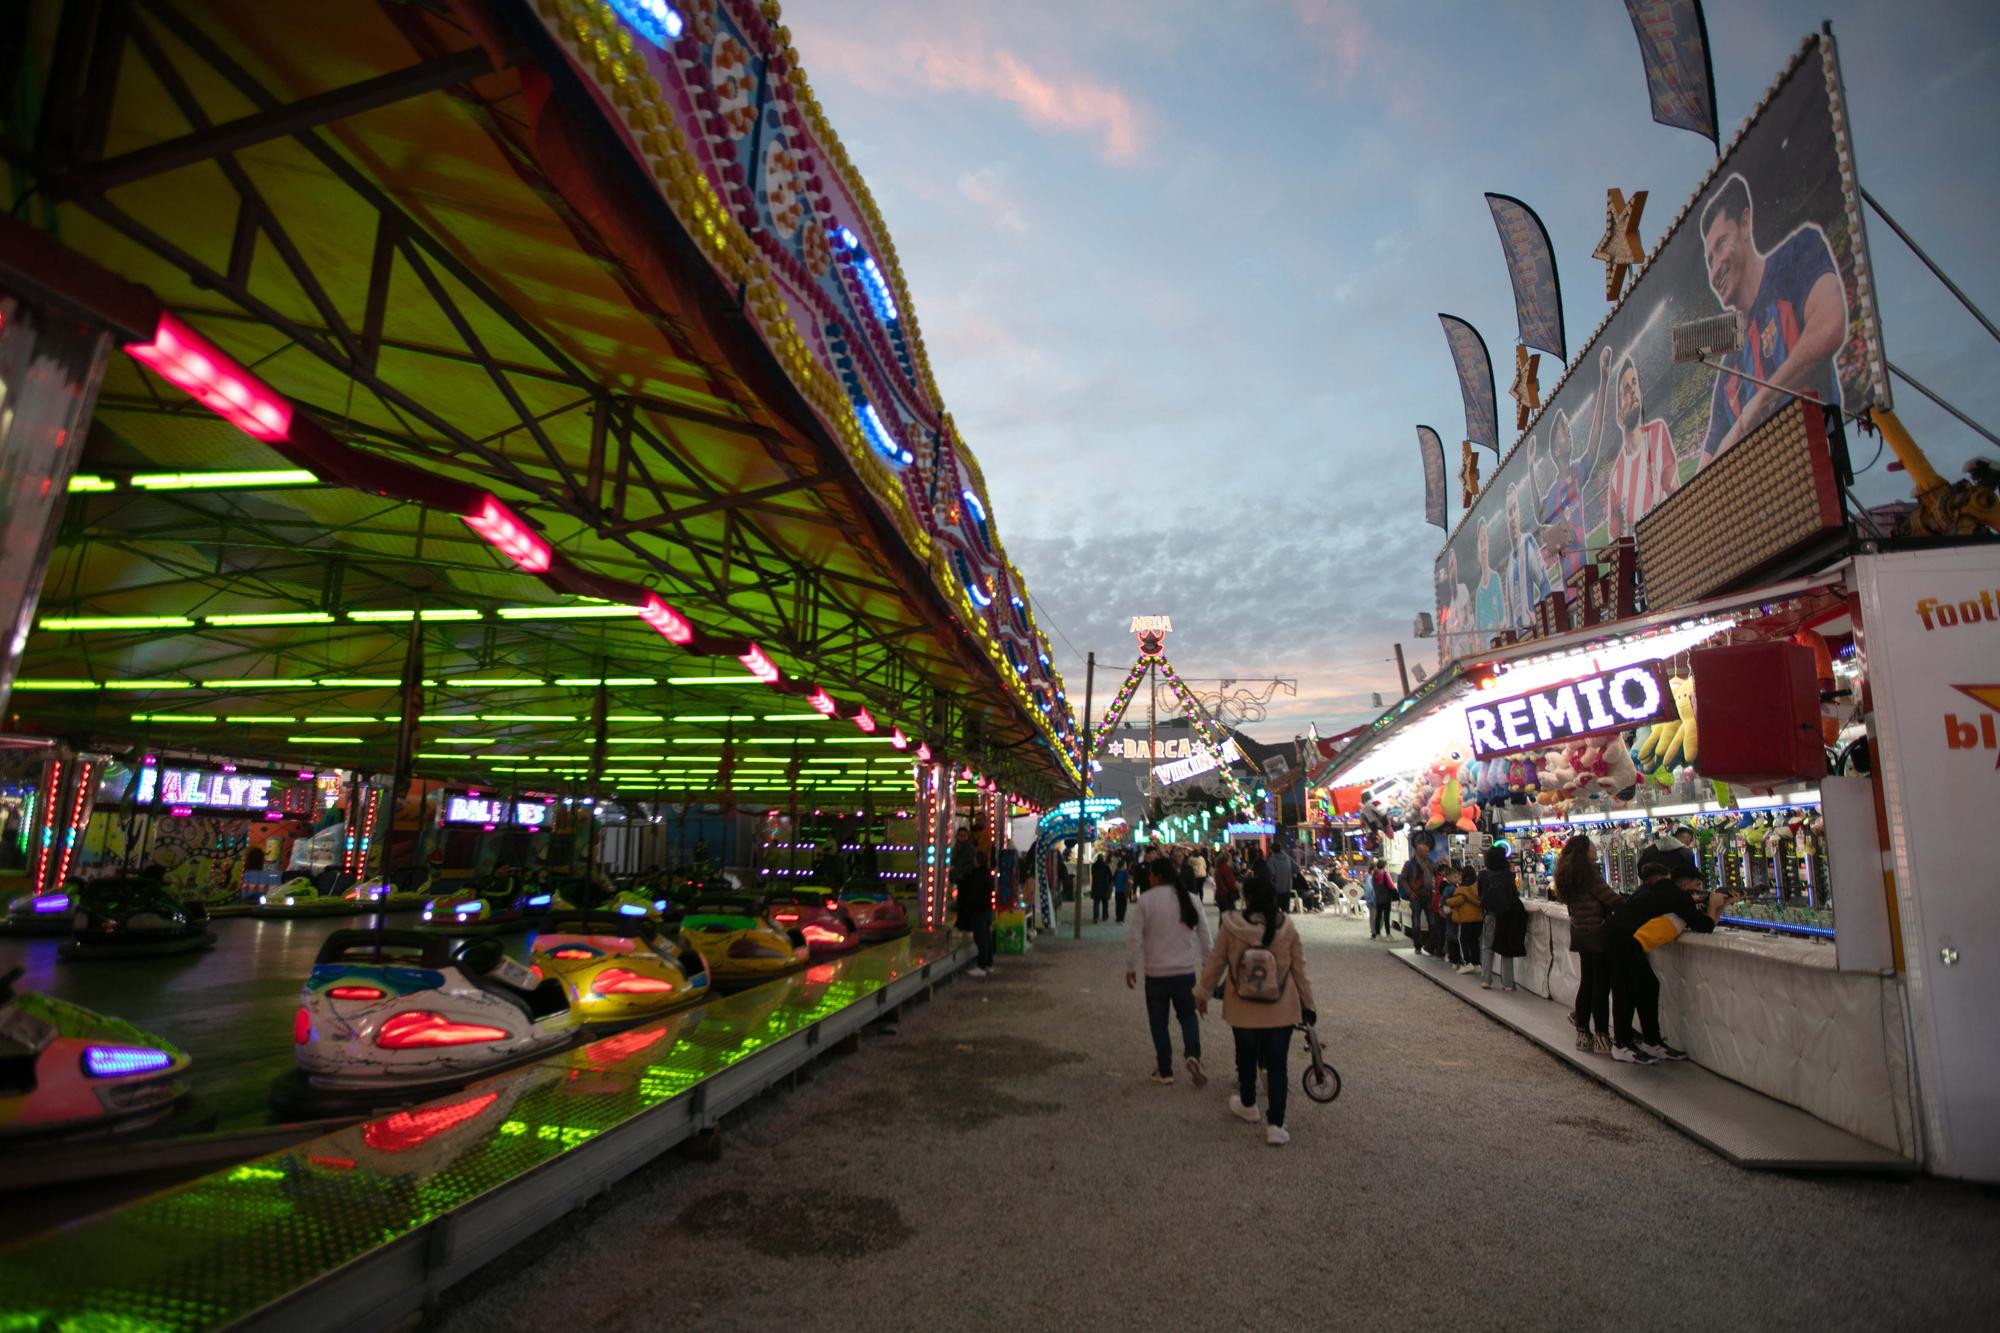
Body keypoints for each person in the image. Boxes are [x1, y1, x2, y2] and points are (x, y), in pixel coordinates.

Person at [1699, 173, 1847, 460]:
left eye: (1720, 245)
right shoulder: (1731, 364)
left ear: (1745, 224)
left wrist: (1756, 407)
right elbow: (1709, 457)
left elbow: (1829, 325)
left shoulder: (1796, 255)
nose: (1715, 268)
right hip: (1770, 496)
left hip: (1822, 467)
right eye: (1708, 261)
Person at [1197, 870, 1316, 1147]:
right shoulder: (1286, 927)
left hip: (1242, 1007)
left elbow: (1216, 962)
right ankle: (1276, 1124)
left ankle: (1248, 1104)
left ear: (1245, 897)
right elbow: (1300, 970)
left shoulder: (1231, 925)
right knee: (1277, 1065)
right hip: (1281, 1008)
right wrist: (1308, 1005)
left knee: (1246, 1056)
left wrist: (1202, 992)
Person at [1605, 848, 1731, 1064]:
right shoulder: (1677, 896)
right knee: (1628, 991)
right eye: (1696, 886)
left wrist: (1717, 906)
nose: (1699, 891)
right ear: (1684, 884)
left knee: (1646, 987)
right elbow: (1705, 925)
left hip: (1619, 939)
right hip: (1624, 942)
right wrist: (1714, 906)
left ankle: (1651, 1042)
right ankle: (1623, 1045)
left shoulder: (1655, 891)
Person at [1126, 858, 1215, 1087]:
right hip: (1185, 972)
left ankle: (1164, 1070)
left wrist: (1130, 967)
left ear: (1157, 876)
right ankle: (1193, 1054)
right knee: (1188, 1016)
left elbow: (1135, 937)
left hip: (1156, 974)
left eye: (1151, 875)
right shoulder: (1191, 899)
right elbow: (1206, 938)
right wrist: (1207, 971)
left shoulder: (1146, 900)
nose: (1149, 878)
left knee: (1159, 1022)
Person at [1555, 833, 1620, 1052]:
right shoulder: (1590, 876)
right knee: (1600, 986)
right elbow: (1611, 900)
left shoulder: (1566, 875)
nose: (1595, 849)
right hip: (1598, 933)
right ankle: (1602, 1035)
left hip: (1580, 934)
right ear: (1585, 851)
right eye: (1592, 846)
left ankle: (1582, 1033)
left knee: (1587, 982)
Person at [1477, 845, 1526, 991]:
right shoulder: (1508, 874)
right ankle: (1508, 983)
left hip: (1490, 914)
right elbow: (1513, 895)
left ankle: (1486, 979)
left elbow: (1480, 894)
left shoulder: (1483, 875)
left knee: (1487, 946)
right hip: (1506, 915)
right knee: (1506, 948)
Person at [951, 826, 995, 978]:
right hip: (986, 909)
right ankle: (988, 963)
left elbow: (974, 893)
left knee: (981, 937)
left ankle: (982, 966)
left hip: (979, 910)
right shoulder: (986, 875)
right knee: (987, 937)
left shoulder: (975, 874)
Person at [1444, 863, 1484, 976]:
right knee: (1475, 941)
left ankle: (1467, 962)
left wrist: (1447, 902)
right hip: (1478, 919)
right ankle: (1476, 964)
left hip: (1466, 920)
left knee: (1463, 940)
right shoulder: (1478, 887)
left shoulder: (1462, 888)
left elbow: (1459, 900)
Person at [1399, 844, 1435, 954]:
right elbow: (1403, 879)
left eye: (1428, 851)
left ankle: (1431, 945)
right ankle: (1418, 945)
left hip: (1429, 895)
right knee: (1416, 922)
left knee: (1432, 922)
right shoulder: (1409, 864)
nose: (1428, 853)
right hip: (1416, 896)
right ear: (1419, 852)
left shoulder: (1430, 863)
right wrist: (1410, 893)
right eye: (1426, 851)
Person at [1367, 859, 1394, 940]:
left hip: (1378, 898)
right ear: (1384, 866)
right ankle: (1388, 934)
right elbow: (1391, 886)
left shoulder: (1374, 875)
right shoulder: (1385, 874)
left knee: (1378, 916)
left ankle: (1377, 934)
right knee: (1386, 916)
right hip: (1386, 897)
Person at [1265, 841, 1295, 909]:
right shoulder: (1288, 858)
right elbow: (1297, 868)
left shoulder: (1271, 860)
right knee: (1286, 911)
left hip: (1276, 889)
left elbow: (1271, 873)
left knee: (1275, 911)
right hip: (1287, 888)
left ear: (1272, 850)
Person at [1213, 851, 1240, 918]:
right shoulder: (1226, 868)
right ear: (1228, 859)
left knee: (1223, 917)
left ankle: (1222, 928)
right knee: (1230, 917)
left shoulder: (1218, 868)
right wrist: (1237, 887)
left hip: (1219, 895)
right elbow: (1231, 884)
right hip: (1226, 896)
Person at [1090, 853, 1112, 924]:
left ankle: (1095, 918)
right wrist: (1108, 883)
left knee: (1096, 903)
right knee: (1105, 902)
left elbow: (1092, 874)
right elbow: (1111, 876)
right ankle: (1105, 917)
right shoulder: (1106, 866)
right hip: (1104, 886)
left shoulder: (1093, 866)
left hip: (1096, 886)